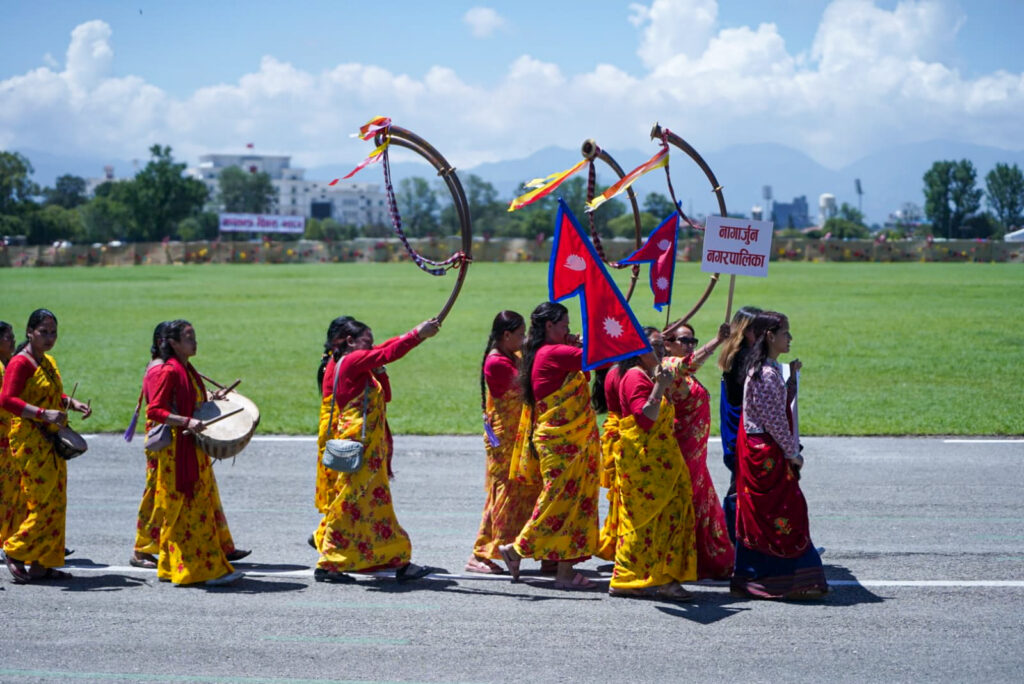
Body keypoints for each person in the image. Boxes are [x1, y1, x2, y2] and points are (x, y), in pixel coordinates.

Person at [313, 316, 442, 584]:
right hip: (361, 448)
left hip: (368, 449)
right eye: (367, 342)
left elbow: (385, 357)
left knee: (372, 504)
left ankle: (392, 557)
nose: (372, 347)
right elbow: (388, 352)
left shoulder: (351, 361)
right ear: (350, 342)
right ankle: (329, 562)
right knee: (350, 502)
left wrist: (414, 335)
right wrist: (418, 334)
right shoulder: (352, 361)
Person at [498, 302, 600, 591]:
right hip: (561, 443)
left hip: (569, 442)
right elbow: (599, 359)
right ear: (549, 326)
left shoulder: (550, 351)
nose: (569, 329)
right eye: (565, 325)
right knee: (557, 502)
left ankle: (565, 571)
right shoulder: (553, 352)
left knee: (574, 504)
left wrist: (575, 343)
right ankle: (516, 550)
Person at [129, 323, 249, 569]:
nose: (195, 342)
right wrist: (187, 420)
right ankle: (144, 548)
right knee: (162, 496)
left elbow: (184, 398)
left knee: (205, 491)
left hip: (186, 437)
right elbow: (159, 408)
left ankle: (220, 544)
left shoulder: (183, 368)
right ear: (167, 342)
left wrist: (209, 398)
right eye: (188, 338)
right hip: (168, 442)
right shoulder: (160, 370)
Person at [731, 311, 828, 600]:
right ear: (770, 336)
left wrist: (791, 382)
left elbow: (774, 408)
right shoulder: (766, 374)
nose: (790, 338)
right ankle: (790, 580)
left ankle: (757, 577)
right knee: (786, 512)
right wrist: (793, 453)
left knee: (766, 514)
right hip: (766, 454)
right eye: (785, 333)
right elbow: (775, 422)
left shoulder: (767, 370)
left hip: (762, 450)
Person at [1, 309, 91, 583]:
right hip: (30, 440)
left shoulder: (47, 361)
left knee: (56, 501)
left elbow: (50, 393)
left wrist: (71, 403)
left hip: (50, 439)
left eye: (53, 332)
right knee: (41, 502)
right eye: (43, 332)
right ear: (30, 332)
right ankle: (15, 550)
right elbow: (7, 400)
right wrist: (43, 414)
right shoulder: (20, 363)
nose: (49, 337)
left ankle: (42, 564)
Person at [607, 329, 696, 601]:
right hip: (646, 466)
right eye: (654, 346)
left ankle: (650, 577)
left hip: (659, 463)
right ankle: (648, 579)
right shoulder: (635, 376)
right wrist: (659, 386)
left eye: (661, 345)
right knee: (646, 521)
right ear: (638, 349)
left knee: (661, 519)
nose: (661, 351)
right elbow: (645, 419)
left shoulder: (647, 373)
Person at [465, 310, 541, 574]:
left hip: (516, 436)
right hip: (506, 439)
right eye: (520, 334)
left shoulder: (511, 354)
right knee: (505, 495)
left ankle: (511, 547)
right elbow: (528, 385)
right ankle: (481, 552)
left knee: (518, 492)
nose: (524, 338)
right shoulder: (496, 362)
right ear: (506, 335)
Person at [662, 321, 735, 579]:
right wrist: (716, 342)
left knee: (701, 504)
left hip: (695, 453)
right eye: (684, 341)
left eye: (693, 341)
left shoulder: (683, 372)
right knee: (688, 503)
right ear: (667, 344)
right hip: (681, 451)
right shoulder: (668, 366)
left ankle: (701, 560)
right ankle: (684, 562)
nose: (690, 346)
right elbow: (688, 364)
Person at [718, 305, 762, 543]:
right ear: (746, 331)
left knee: (738, 483)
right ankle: (732, 539)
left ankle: (732, 538)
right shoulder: (746, 359)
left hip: (734, 429)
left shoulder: (736, 354)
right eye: (759, 329)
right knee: (741, 486)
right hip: (743, 430)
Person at [594, 362, 623, 562]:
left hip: (616, 434)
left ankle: (616, 544)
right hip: (621, 437)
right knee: (620, 496)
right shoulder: (621, 373)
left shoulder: (614, 370)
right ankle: (618, 545)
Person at [0, 320, 19, 547]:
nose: (13, 340)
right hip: (3, 439)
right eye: (8, 337)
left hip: (11, 439)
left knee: (15, 492)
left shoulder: (10, 364)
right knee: (5, 493)